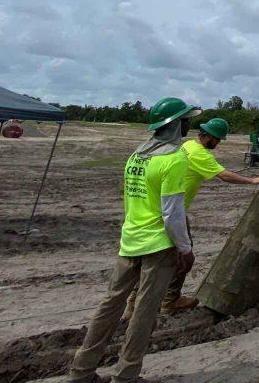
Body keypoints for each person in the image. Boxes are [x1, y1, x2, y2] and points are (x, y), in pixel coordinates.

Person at [68, 96, 200, 383]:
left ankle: (81, 371)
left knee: (110, 305)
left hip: (129, 241)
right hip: (158, 246)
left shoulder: (137, 155)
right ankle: (126, 376)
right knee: (144, 312)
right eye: (186, 120)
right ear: (177, 125)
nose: (189, 125)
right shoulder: (175, 159)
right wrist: (185, 249)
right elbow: (172, 213)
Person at [157, 117, 259, 311]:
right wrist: (252, 181)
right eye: (217, 139)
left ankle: (141, 300)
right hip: (175, 211)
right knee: (184, 257)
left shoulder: (188, 146)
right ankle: (169, 300)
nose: (218, 143)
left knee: (157, 256)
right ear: (207, 136)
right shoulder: (200, 154)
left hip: (162, 207)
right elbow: (223, 175)